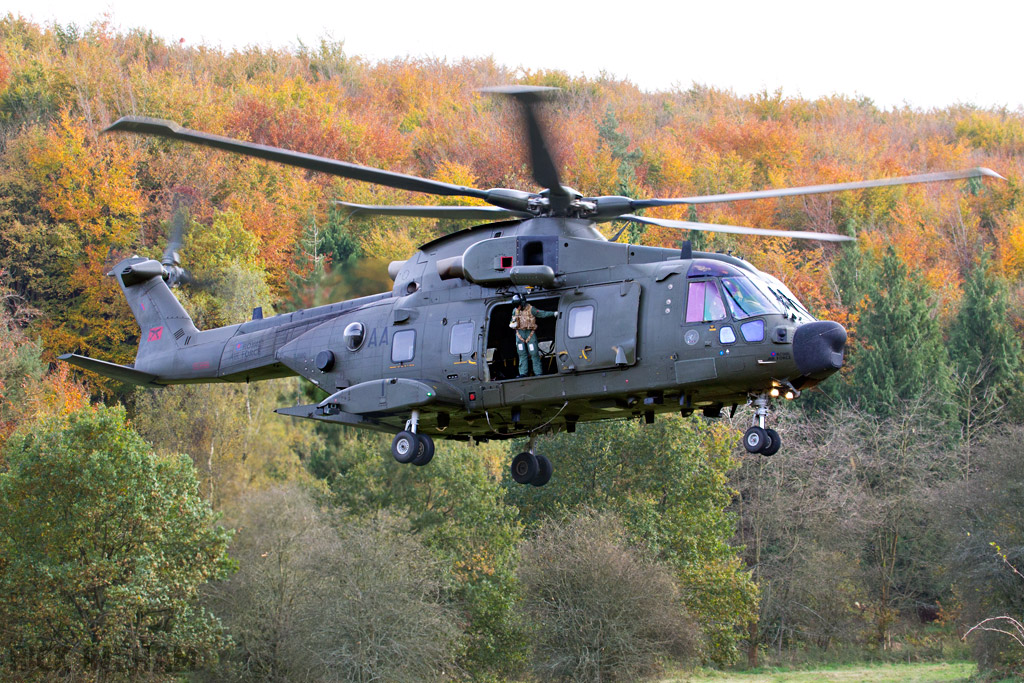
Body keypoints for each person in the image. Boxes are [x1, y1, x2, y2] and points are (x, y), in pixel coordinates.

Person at [510, 294, 557, 377]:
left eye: (519, 305)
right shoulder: (515, 311)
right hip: (519, 334)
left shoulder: (531, 309)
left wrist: (553, 314)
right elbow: (512, 321)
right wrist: (512, 323)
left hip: (530, 334)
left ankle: (538, 372)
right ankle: (523, 373)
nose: (518, 308)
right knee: (521, 354)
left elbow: (542, 314)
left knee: (534, 353)